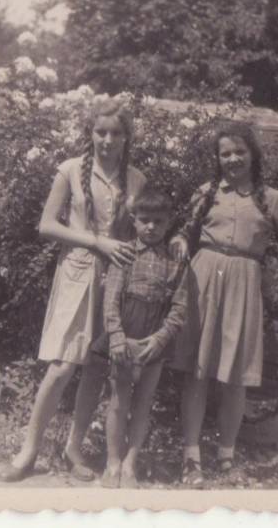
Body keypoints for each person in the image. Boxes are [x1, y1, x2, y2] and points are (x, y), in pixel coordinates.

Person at [0, 97, 147, 483]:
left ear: (127, 137)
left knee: (95, 367)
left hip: (117, 279)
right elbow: (47, 225)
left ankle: (73, 448)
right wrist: (97, 242)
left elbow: (144, 229)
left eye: (116, 133)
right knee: (63, 365)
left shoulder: (136, 179)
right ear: (90, 133)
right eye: (101, 132)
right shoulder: (69, 170)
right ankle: (29, 450)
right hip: (78, 273)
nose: (108, 140)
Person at [169, 121, 278, 486]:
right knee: (197, 370)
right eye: (225, 153)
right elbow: (185, 230)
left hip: (245, 284)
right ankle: (190, 458)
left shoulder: (271, 199)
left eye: (239, 152)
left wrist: (270, 276)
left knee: (236, 375)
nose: (232, 159)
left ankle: (226, 456)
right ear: (217, 158)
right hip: (203, 279)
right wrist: (181, 241)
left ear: (252, 155)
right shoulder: (207, 192)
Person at [96, 186, 189, 489]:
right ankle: (112, 462)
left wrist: (161, 338)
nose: (151, 227)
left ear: (169, 222)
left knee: (144, 401)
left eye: (158, 221)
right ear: (134, 220)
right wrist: (116, 337)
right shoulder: (125, 254)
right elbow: (110, 300)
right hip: (125, 333)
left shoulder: (175, 260)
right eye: (144, 220)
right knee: (119, 400)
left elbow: (180, 306)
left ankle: (130, 464)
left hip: (154, 338)